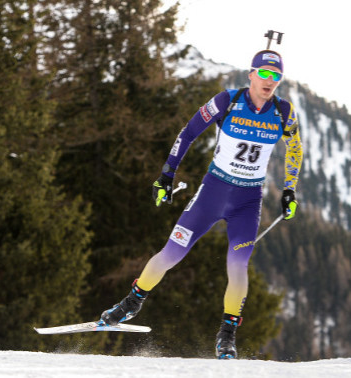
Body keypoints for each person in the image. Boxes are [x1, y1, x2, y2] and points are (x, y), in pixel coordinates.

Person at [100, 49, 303, 359]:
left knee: (238, 266)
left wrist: (289, 190)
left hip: (247, 201)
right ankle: (131, 303)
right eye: (263, 74)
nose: (269, 81)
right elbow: (189, 131)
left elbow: (295, 150)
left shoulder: (283, 112)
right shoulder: (227, 101)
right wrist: (167, 175)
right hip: (213, 192)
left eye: (275, 76)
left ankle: (227, 335)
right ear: (251, 74)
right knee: (171, 252)